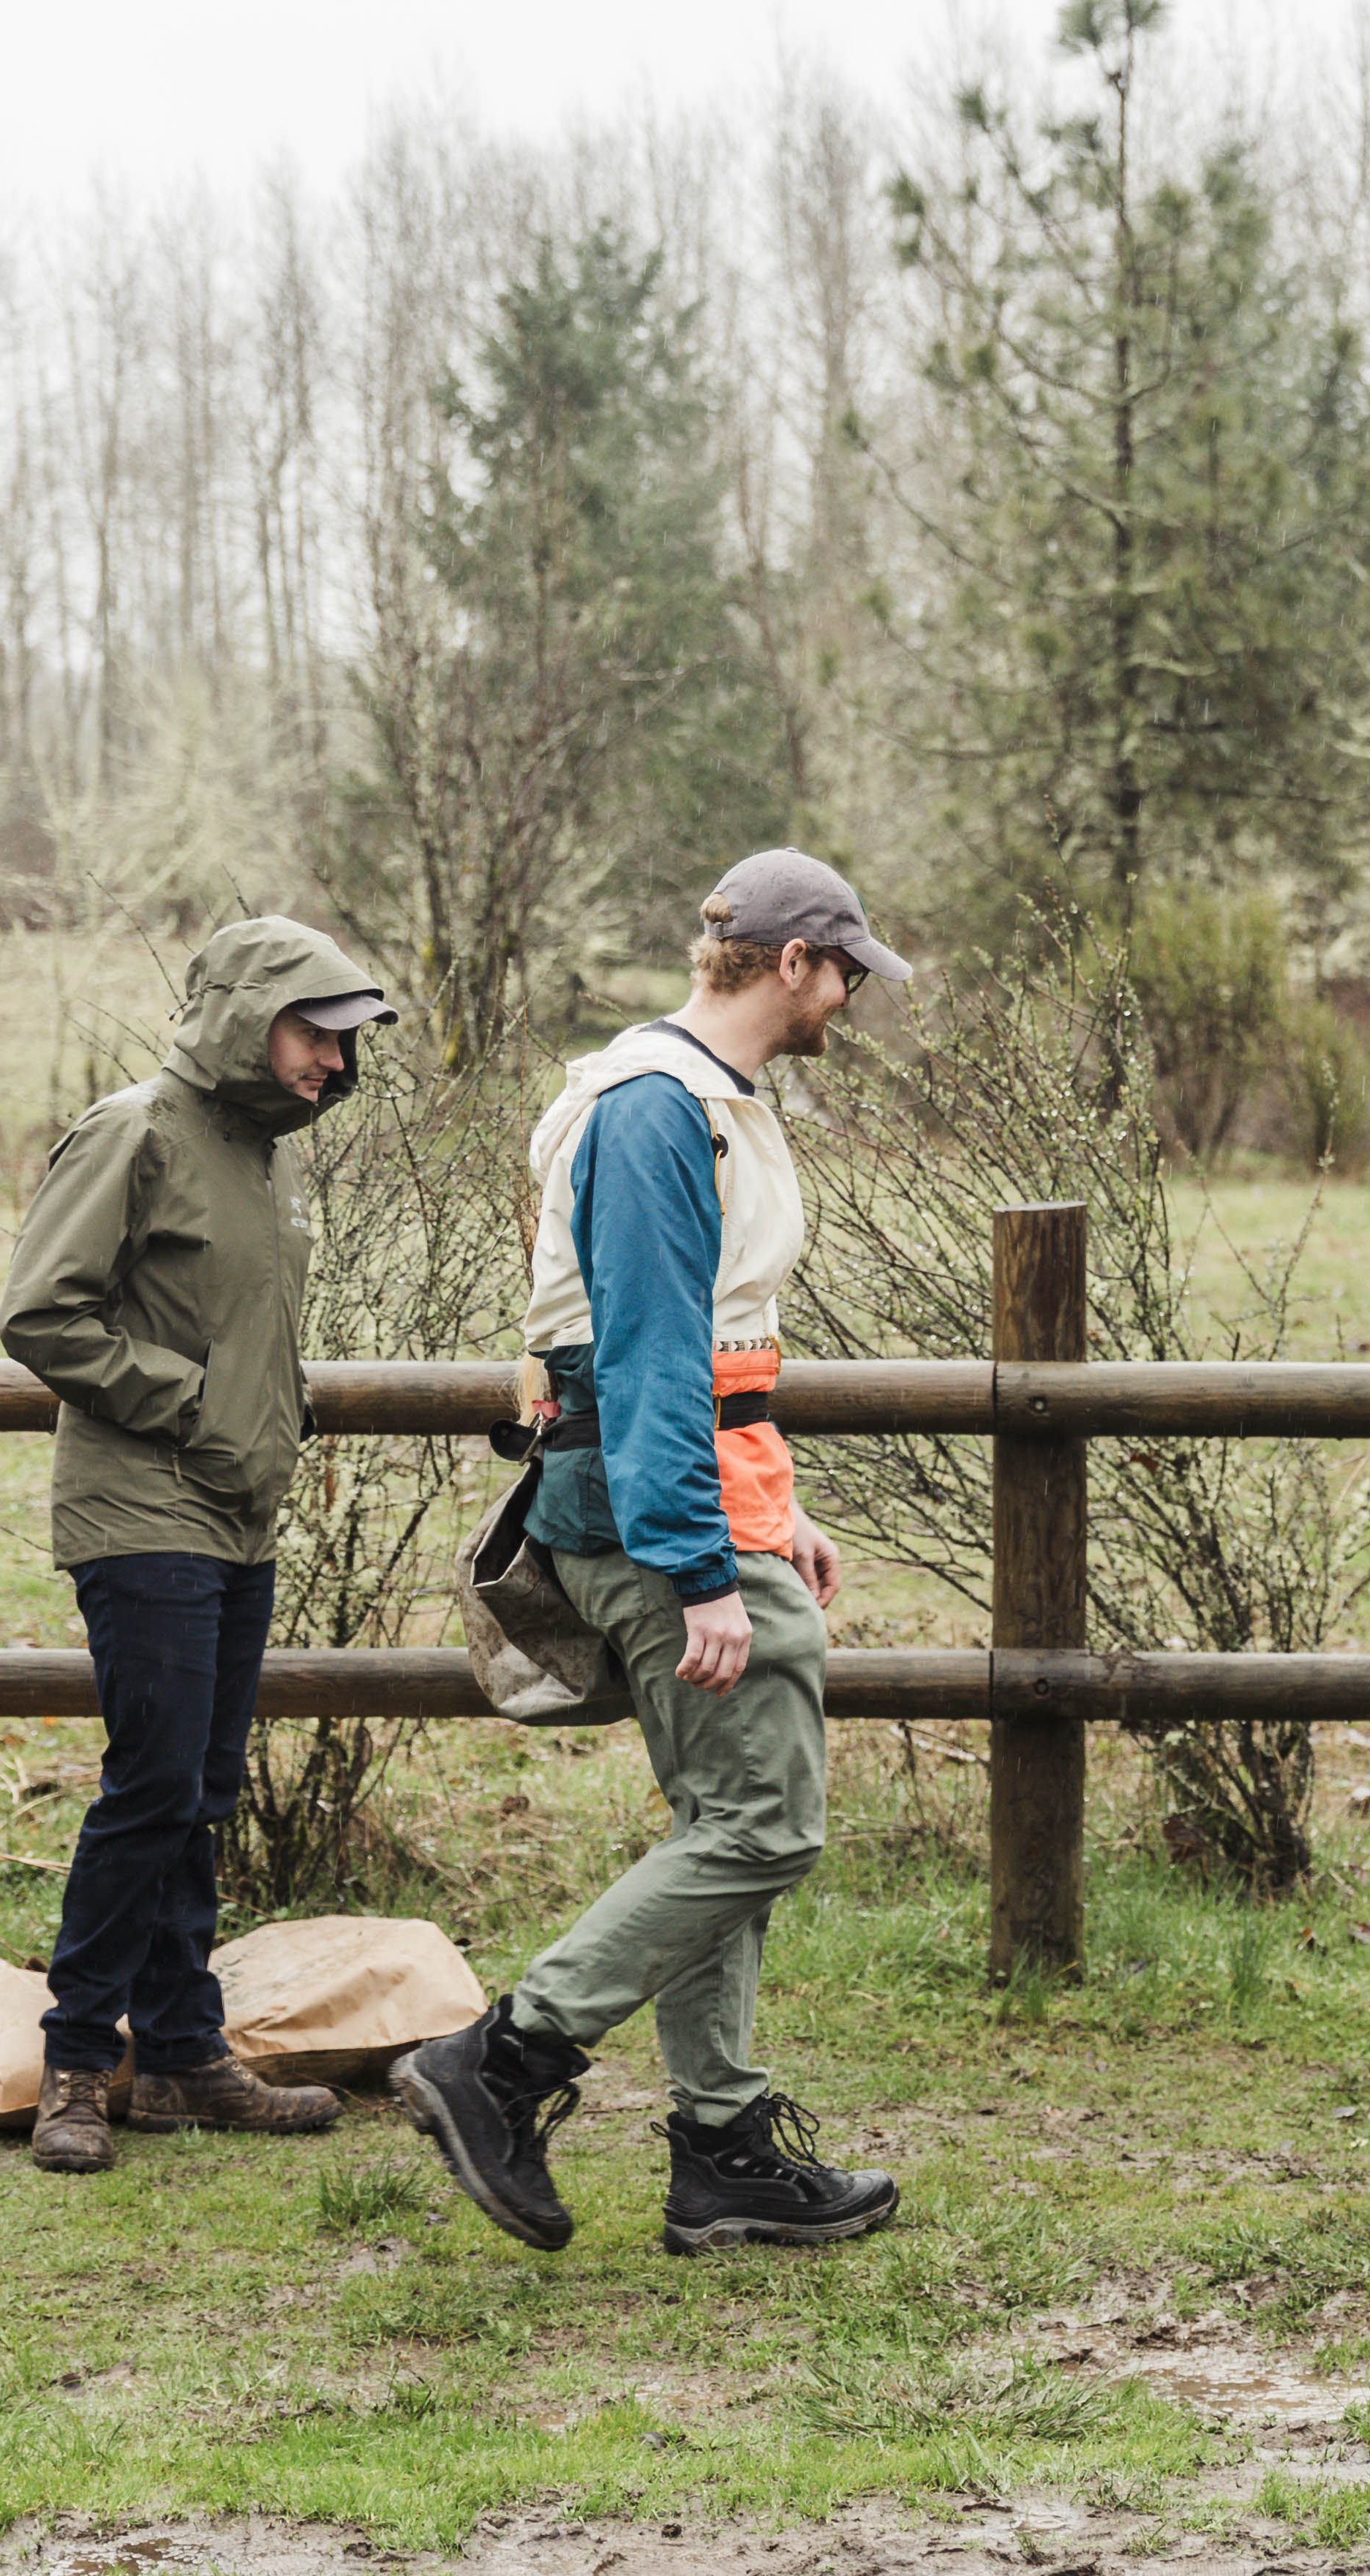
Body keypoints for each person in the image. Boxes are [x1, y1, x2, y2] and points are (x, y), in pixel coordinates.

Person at [397, 850, 912, 2259]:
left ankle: (725, 2149)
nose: (854, 998)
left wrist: (775, 1503)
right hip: (656, 1518)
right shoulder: (654, 1109)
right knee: (766, 1826)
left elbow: (717, 1348)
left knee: (725, 1825)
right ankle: (504, 2060)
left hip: (702, 1502)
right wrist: (696, 1564)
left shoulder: (697, 1100)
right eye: (847, 970)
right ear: (794, 962)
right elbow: (640, 1355)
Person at [0, 918, 396, 2176]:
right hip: (140, 1505)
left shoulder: (261, 1154)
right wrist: (193, 1404)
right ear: (245, 1017)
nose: (334, 1064)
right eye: (315, 1035)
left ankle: (180, 2053)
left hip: (235, 1510)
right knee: (155, 1784)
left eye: (345, 1045)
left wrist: (252, 1423)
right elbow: (39, 1314)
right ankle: (76, 2060)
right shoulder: (138, 1130)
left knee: (201, 1789)